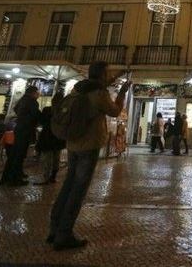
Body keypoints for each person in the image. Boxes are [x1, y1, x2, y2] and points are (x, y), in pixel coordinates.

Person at [48, 61, 131, 251]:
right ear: (102, 74)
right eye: (107, 73)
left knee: (68, 185)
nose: (108, 75)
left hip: (73, 143)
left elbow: (103, 82)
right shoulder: (100, 93)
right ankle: (64, 234)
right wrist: (122, 93)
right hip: (89, 144)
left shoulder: (78, 89)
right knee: (78, 189)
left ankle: (54, 228)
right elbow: (115, 111)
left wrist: (118, 75)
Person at [0, 86, 41, 186]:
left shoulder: (23, 99)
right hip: (26, 130)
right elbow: (36, 115)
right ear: (33, 93)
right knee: (19, 153)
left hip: (19, 128)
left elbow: (15, 108)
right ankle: (13, 179)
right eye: (38, 92)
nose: (39, 94)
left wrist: (22, 118)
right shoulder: (32, 101)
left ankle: (14, 174)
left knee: (16, 153)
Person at [34, 91, 66, 185]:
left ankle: (45, 177)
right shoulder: (63, 111)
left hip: (47, 136)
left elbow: (42, 121)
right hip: (59, 137)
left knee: (47, 158)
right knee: (56, 157)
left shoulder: (47, 110)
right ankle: (53, 177)